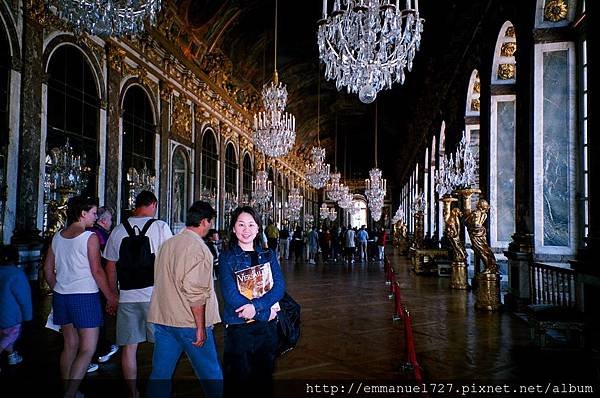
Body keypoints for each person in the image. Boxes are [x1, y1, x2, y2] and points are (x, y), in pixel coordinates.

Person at [43, 196, 118, 398]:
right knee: (87, 349)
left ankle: (68, 390)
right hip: (84, 297)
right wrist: (111, 296)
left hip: (61, 297)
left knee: (70, 345)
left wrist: (60, 288)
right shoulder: (89, 237)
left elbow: (48, 269)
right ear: (83, 213)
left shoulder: (57, 236)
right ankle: (70, 394)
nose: (96, 217)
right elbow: (97, 271)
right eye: (94, 213)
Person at [147, 201, 223, 398]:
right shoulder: (199, 248)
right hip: (189, 322)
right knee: (210, 373)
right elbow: (195, 292)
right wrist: (200, 327)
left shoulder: (168, 244)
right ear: (205, 221)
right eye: (210, 222)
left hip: (164, 320)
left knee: (160, 375)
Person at [103, 191, 173, 398]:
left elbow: (110, 267)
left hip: (127, 296)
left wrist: (113, 295)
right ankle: (160, 391)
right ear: (154, 204)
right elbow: (170, 263)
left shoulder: (117, 230)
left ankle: (133, 393)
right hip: (155, 297)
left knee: (129, 348)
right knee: (163, 347)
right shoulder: (160, 227)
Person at [219, 206, 285, 397]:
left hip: (267, 329)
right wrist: (263, 312)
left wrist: (255, 308)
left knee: (263, 381)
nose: (246, 229)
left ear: (258, 229)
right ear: (233, 228)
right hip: (239, 328)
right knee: (237, 383)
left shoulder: (268, 255)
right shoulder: (227, 257)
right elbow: (230, 295)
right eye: (241, 224)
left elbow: (279, 288)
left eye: (251, 225)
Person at [86, 206, 118, 371]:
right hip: (96, 284)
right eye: (111, 220)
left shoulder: (88, 232)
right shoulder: (100, 235)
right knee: (96, 321)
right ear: (104, 221)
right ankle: (97, 352)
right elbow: (104, 266)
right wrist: (111, 293)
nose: (111, 223)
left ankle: (98, 349)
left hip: (83, 285)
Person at [0, 244, 32, 370]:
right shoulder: (17, 274)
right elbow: (24, 298)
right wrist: (28, 316)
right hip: (11, 316)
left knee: (5, 337)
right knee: (10, 336)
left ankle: (12, 355)